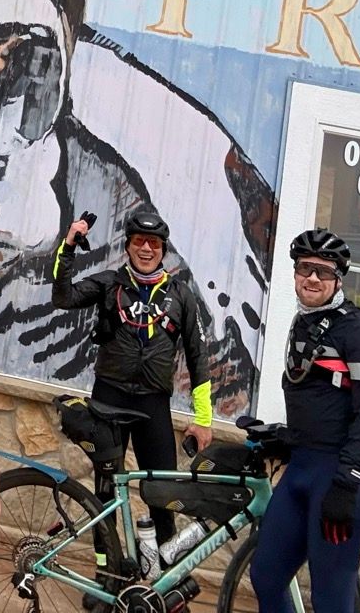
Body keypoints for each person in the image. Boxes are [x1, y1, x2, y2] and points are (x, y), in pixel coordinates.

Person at [51, 207, 214, 550]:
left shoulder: (181, 295)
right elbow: (63, 297)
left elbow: (198, 356)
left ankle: (164, 572)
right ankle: (106, 571)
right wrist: (68, 247)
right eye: (139, 240)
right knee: (106, 493)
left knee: (163, 493)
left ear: (163, 250)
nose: (146, 248)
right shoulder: (109, 283)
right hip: (108, 398)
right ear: (127, 246)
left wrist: (203, 418)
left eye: (154, 243)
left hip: (152, 405)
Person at [250, 228, 360, 613]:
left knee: (330, 599)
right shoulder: (305, 322)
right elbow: (317, 395)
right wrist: (287, 436)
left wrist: (347, 483)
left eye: (323, 272)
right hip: (302, 470)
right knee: (265, 577)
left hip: (340, 479)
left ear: (338, 279)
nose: (312, 278)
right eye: (304, 268)